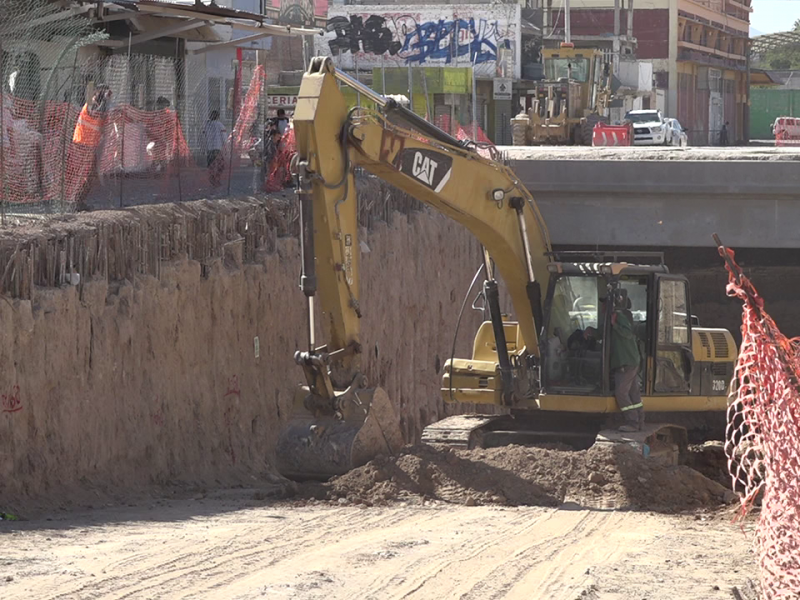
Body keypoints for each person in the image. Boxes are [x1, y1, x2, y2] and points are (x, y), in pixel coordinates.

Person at [69, 84, 113, 210]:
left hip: (89, 145)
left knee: (90, 174)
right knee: (86, 174)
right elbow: (96, 112)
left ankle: (78, 201)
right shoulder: (91, 104)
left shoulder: (99, 106)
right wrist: (104, 99)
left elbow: (102, 117)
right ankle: (75, 202)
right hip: (82, 144)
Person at [610, 290, 644, 432]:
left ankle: (632, 422)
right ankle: (640, 420)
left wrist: (614, 324)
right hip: (631, 361)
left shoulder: (620, 317)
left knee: (621, 393)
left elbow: (627, 334)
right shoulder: (617, 317)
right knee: (634, 393)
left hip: (627, 362)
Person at [203, 110, 227, 187]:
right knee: (221, 165)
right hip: (217, 148)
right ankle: (217, 178)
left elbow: (204, 135)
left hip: (209, 148)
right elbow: (224, 137)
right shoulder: (220, 125)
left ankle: (212, 178)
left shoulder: (207, 125)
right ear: (218, 117)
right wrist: (226, 148)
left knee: (210, 165)